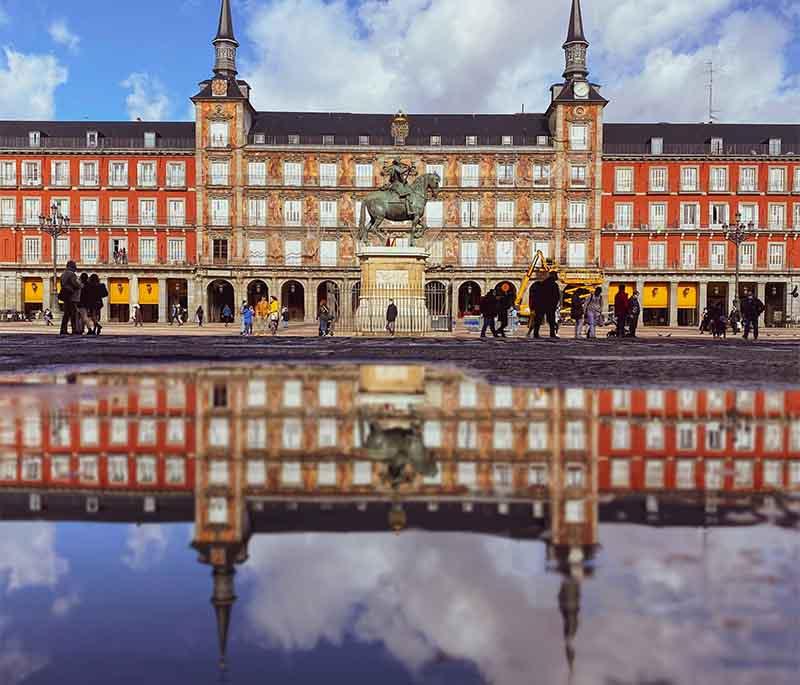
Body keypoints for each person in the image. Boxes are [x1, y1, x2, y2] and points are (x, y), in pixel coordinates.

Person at [533, 272, 560, 339]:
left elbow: (536, 295)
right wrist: (555, 304)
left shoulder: (542, 284)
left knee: (538, 320)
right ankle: (552, 334)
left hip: (540, 304)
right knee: (551, 321)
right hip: (550, 305)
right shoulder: (554, 285)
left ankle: (535, 333)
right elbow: (557, 296)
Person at [59, 260, 81, 335]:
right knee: (73, 314)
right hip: (71, 296)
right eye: (74, 266)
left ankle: (63, 329)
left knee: (66, 314)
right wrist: (80, 285)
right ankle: (74, 330)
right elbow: (75, 284)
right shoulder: (72, 275)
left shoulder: (63, 274)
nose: (76, 267)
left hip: (65, 296)